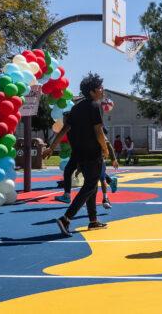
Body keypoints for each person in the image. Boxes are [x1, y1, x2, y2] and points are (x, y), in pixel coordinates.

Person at [43, 73, 109, 236]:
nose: (102, 90)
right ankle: (66, 218)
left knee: (91, 186)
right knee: (90, 186)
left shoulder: (76, 108)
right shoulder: (94, 106)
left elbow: (64, 130)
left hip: (79, 154)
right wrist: (105, 148)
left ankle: (93, 221)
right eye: (100, 88)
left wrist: (51, 147)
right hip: (93, 153)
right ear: (93, 91)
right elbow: (98, 130)